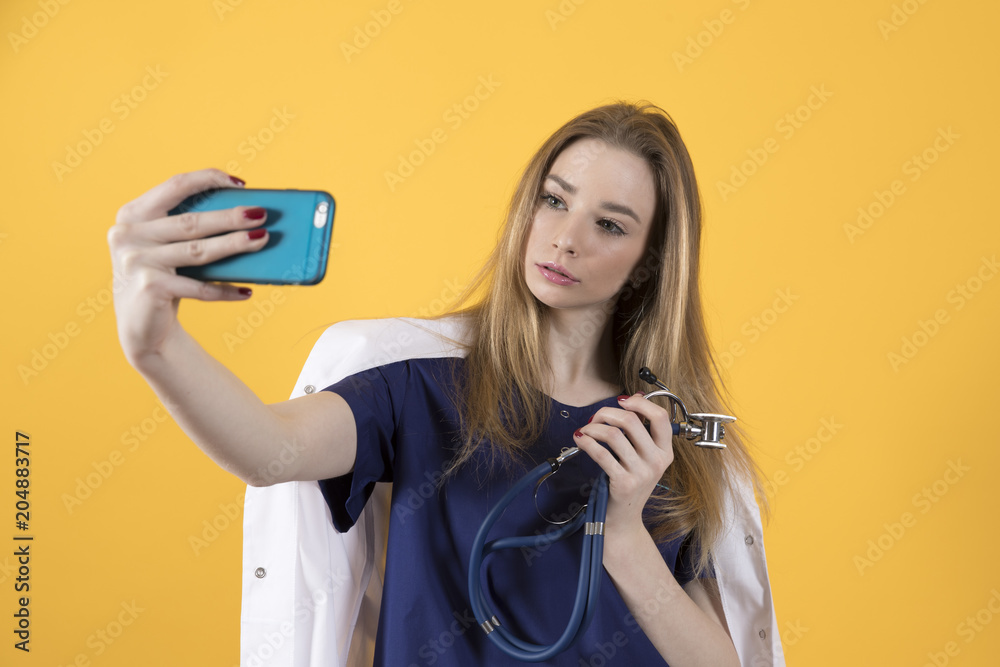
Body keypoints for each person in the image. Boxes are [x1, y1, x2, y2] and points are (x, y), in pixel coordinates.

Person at [109, 101, 782, 666]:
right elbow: (266, 450)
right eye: (554, 200)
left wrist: (627, 536)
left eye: (608, 224)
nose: (565, 238)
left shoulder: (661, 435)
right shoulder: (418, 383)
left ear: (649, 263)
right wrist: (158, 347)